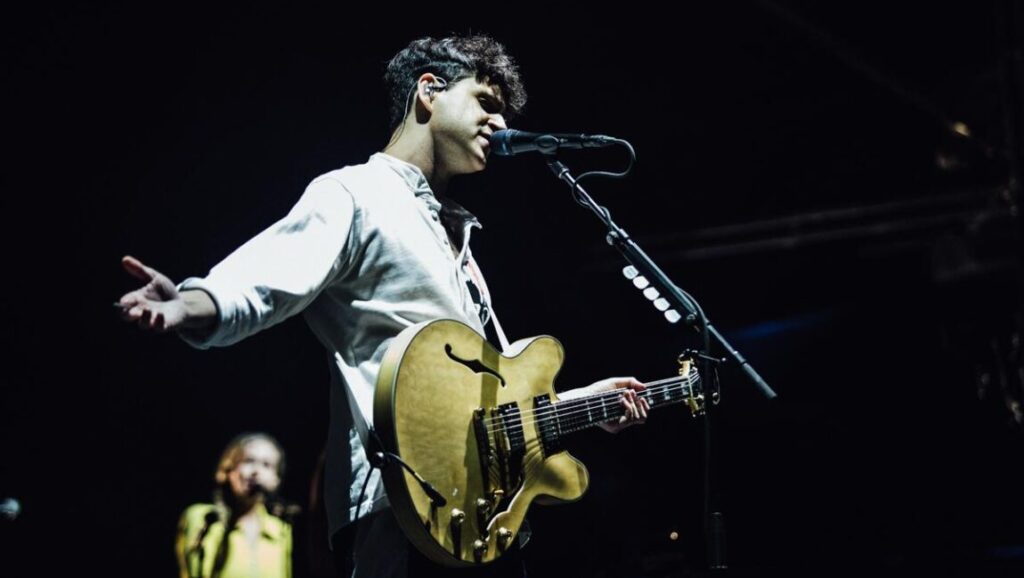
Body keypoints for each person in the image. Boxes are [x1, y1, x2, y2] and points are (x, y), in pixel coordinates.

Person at [119, 34, 650, 577]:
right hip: (402, 511)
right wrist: (189, 303)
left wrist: (580, 401)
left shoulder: (457, 237)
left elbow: (490, 402)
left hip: (484, 521)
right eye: (485, 103)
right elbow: (266, 278)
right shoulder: (357, 194)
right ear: (429, 91)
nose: (499, 124)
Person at [176, 432, 293, 578]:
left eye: (267, 465)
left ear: (276, 479)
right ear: (228, 468)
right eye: (249, 461)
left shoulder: (282, 531)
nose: (256, 472)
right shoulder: (202, 517)